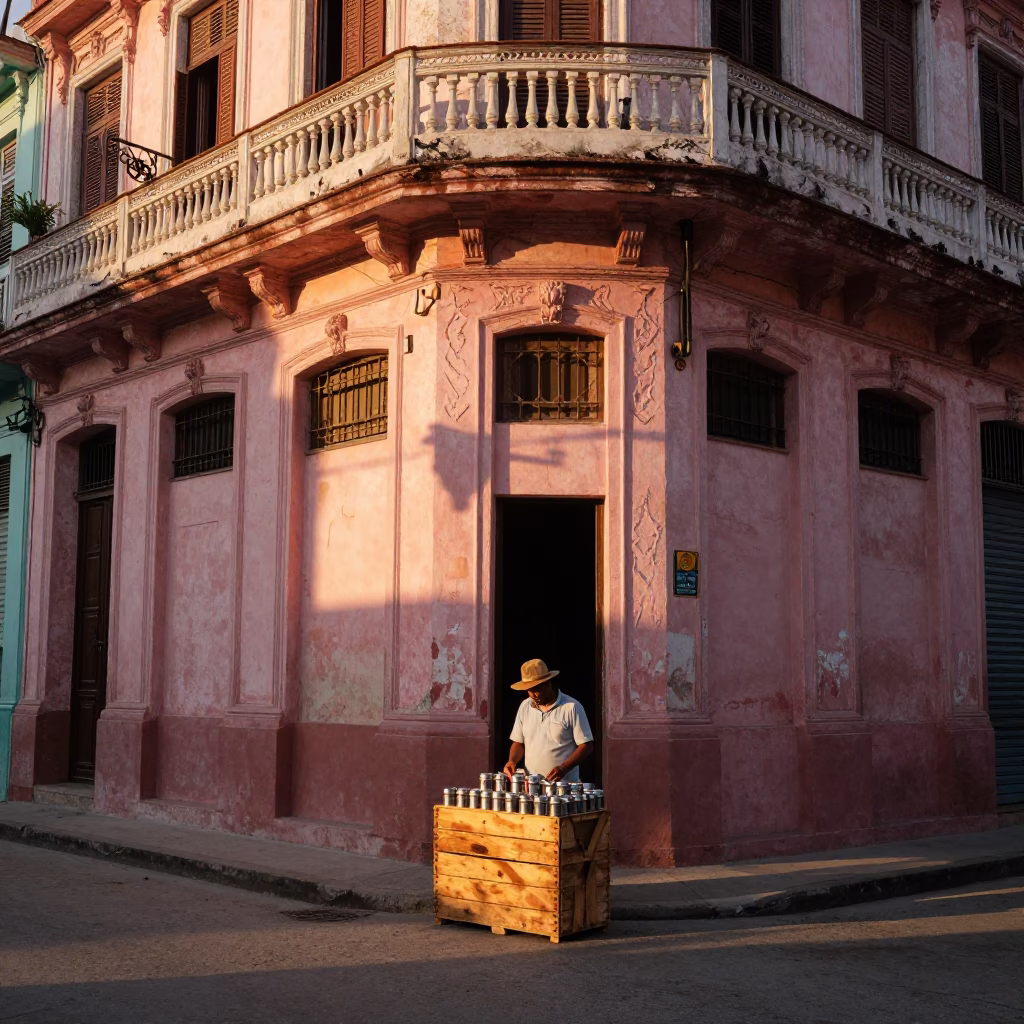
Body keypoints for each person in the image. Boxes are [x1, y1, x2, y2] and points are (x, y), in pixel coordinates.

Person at [503, 658, 593, 783]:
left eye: (536, 689)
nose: (533, 695)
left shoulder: (572, 707)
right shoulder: (525, 706)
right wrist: (512, 761)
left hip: (564, 788)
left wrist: (564, 768)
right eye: (529, 690)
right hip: (533, 786)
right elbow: (518, 742)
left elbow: (586, 746)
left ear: (548, 683)